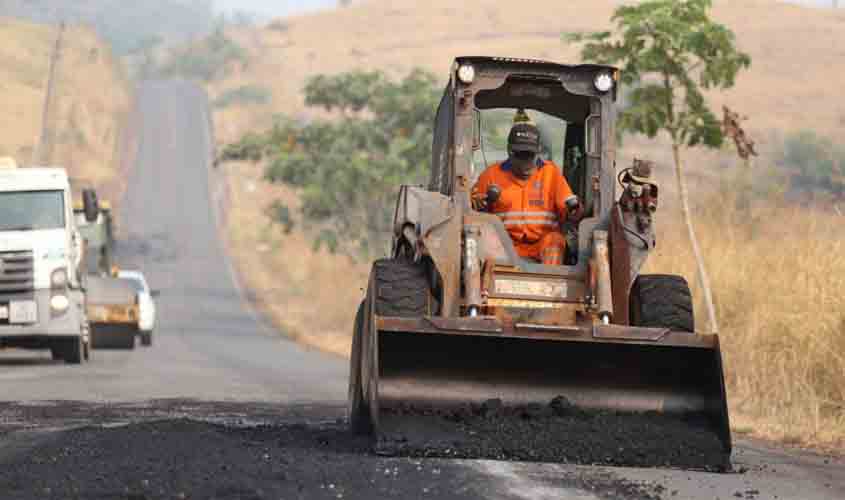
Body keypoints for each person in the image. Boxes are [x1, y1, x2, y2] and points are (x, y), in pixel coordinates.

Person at [471, 111, 582, 266]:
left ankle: (548, 286)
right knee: (484, 237)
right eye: (520, 155)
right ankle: (485, 288)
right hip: (504, 245)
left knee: (555, 241)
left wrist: (574, 210)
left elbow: (570, 211)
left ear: (538, 153)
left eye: (529, 155)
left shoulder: (551, 173)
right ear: (509, 151)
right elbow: (472, 209)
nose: (525, 162)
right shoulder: (491, 176)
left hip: (541, 245)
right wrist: (475, 205)